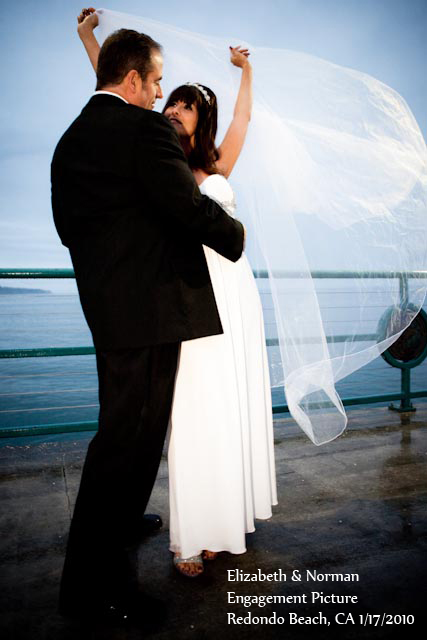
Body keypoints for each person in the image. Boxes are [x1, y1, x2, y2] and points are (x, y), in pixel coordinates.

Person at [51, 20, 245, 624]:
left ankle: (122, 522)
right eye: (156, 81)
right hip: (154, 314)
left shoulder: (70, 140)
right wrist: (233, 235)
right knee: (129, 448)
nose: (160, 95)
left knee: (120, 438)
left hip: (108, 312)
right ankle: (98, 591)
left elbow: (70, 228)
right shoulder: (142, 130)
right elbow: (184, 207)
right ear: (133, 79)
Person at [77, 9, 277, 579]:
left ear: (200, 120)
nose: (171, 108)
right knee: (188, 415)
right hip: (180, 301)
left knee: (224, 408)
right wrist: (91, 39)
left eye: (185, 104)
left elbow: (242, 117)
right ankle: (191, 529)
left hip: (231, 301)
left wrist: (246, 72)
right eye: (170, 100)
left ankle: (224, 520)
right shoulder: (149, 149)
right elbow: (116, 90)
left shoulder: (214, 165)